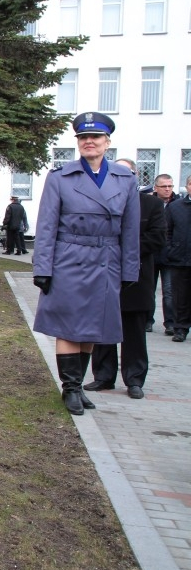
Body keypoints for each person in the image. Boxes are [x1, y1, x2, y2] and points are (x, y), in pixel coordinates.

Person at [32, 111, 140, 415]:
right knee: (68, 327)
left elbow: (131, 230)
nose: (88, 142)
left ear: (107, 142)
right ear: (78, 143)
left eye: (95, 138)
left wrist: (130, 270)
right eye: (83, 138)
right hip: (69, 258)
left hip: (106, 260)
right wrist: (43, 267)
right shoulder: (60, 178)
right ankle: (71, 389)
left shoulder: (126, 180)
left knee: (92, 328)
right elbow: (46, 226)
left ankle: (77, 386)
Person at [85, 160, 166, 399]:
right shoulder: (101, 202)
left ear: (135, 176)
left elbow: (158, 238)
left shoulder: (151, 204)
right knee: (102, 329)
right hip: (103, 276)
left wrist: (125, 250)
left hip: (136, 279)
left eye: (127, 173)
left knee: (134, 332)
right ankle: (103, 376)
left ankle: (134, 379)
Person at [148, 174, 178, 334]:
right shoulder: (149, 203)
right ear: (156, 188)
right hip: (151, 254)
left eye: (170, 186)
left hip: (169, 256)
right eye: (164, 186)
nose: (167, 189)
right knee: (148, 289)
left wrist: (173, 250)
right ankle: (147, 320)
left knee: (169, 291)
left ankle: (170, 323)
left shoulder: (178, 204)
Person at [165, 175, 191, 344]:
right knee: (180, 297)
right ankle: (180, 328)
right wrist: (171, 249)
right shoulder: (175, 207)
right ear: (187, 186)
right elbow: (166, 231)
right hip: (180, 259)